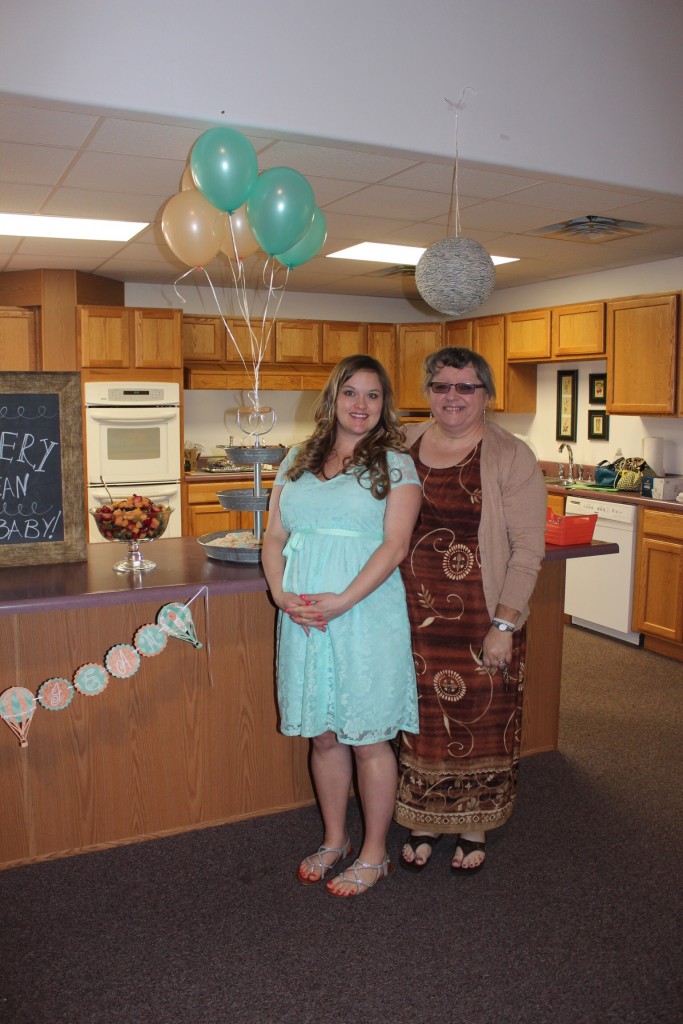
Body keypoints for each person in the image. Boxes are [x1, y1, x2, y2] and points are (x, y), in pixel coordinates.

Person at [262, 354, 422, 898]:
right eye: (351, 392)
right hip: (304, 614)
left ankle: (374, 852)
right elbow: (274, 539)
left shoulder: (395, 463)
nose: (361, 404)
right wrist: (283, 596)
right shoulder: (296, 458)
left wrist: (342, 602)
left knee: (369, 737)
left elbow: (395, 545)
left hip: (365, 613)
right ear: (333, 398)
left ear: (385, 404)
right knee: (325, 734)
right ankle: (335, 840)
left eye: (373, 395)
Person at [394, 346, 547, 874]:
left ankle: (473, 821)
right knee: (421, 720)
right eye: (441, 386)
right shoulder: (404, 444)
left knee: (480, 718)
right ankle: (422, 817)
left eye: (466, 387)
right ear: (428, 393)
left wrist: (504, 624)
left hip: (484, 614)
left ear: (486, 395)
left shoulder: (510, 454)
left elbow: (528, 548)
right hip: (411, 614)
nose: (452, 396)